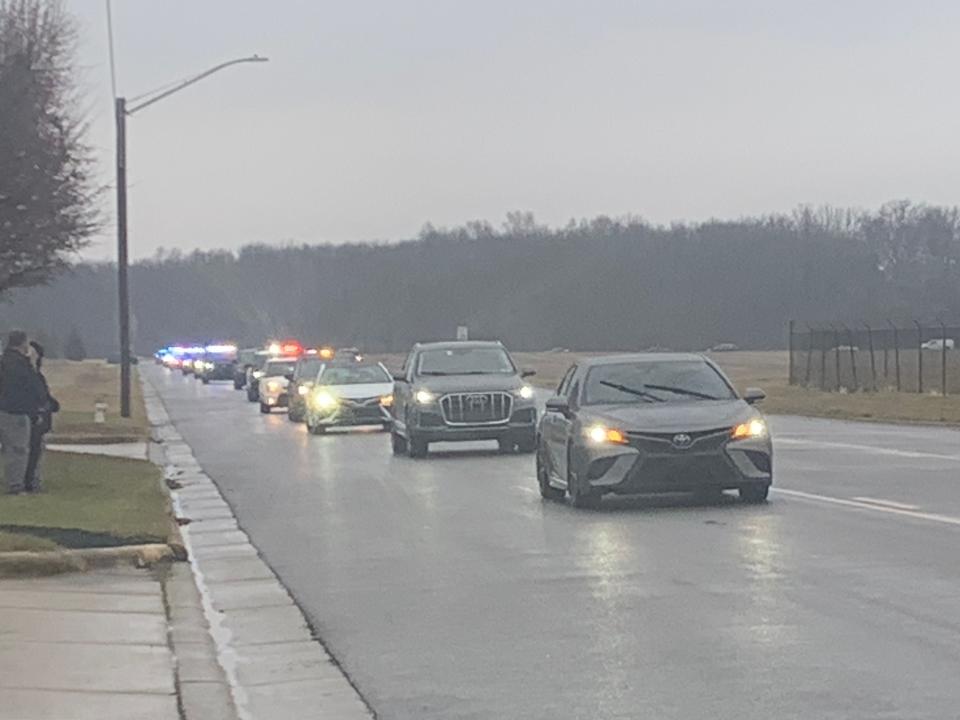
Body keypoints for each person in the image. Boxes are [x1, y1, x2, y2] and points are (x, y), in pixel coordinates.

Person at [0, 331, 46, 494]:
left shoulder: (4, 361)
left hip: (5, 409)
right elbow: (32, 387)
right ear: (22, 343)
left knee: (9, 448)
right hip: (16, 411)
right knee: (18, 449)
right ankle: (15, 486)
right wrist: (32, 365)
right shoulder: (19, 364)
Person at [24, 341, 60, 493]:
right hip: (32, 418)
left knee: (37, 452)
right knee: (31, 452)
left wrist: (52, 404)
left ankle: (34, 481)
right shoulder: (28, 375)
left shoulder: (38, 376)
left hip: (41, 419)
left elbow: (44, 395)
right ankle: (29, 482)